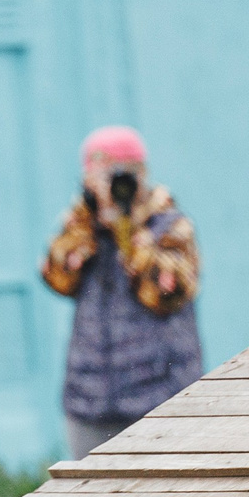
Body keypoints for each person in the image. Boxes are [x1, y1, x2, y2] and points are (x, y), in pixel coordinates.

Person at [41, 125, 203, 458]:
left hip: (161, 397)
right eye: (97, 177)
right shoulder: (83, 227)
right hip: (89, 401)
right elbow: (56, 277)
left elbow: (166, 293)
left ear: (141, 174)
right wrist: (86, 220)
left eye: (118, 176)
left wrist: (127, 230)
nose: (109, 187)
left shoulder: (169, 226)